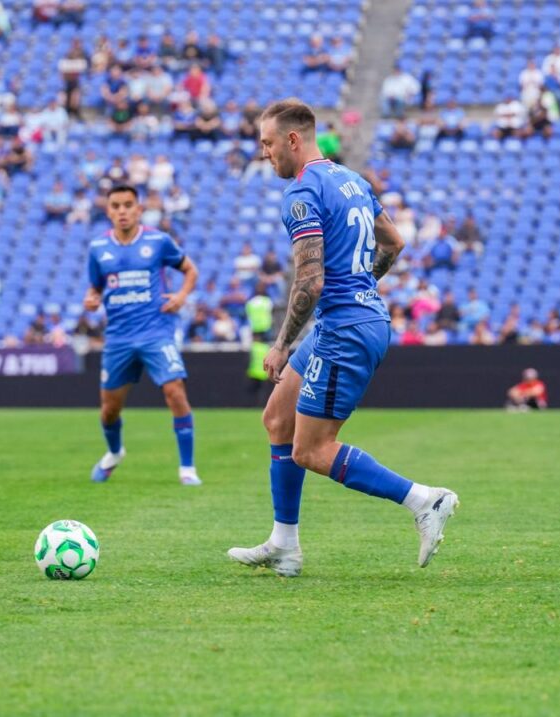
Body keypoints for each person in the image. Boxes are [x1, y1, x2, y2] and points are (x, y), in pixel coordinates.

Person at [227, 100, 458, 578]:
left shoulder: (301, 192)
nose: (264, 153)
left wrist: (280, 344)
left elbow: (309, 282)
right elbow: (393, 242)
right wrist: (364, 285)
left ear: (293, 139)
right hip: (352, 318)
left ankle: (424, 500)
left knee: (311, 450)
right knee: (277, 418)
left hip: (345, 328)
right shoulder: (353, 181)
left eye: (268, 143)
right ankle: (284, 545)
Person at [83, 184, 202, 486]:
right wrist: (92, 297)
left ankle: (187, 468)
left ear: (138, 209)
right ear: (108, 211)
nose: (122, 211)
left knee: (175, 392)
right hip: (119, 337)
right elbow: (96, 286)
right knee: (109, 410)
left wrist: (181, 296)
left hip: (156, 331)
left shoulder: (158, 241)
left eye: (127, 205)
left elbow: (190, 270)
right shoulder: (98, 249)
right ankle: (114, 453)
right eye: (116, 206)